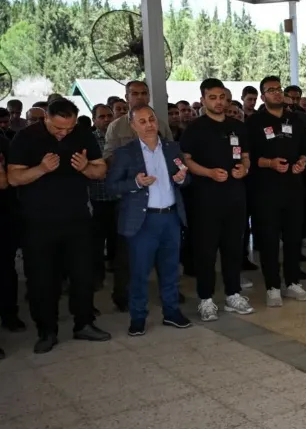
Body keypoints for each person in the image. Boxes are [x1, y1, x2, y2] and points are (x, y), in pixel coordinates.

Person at [7, 99, 109, 354]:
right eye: (58, 128)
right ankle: (47, 331)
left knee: (83, 275)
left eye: (69, 128)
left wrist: (86, 167)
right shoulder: (26, 138)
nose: (64, 133)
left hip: (77, 218)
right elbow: (14, 177)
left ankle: (84, 324)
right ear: (46, 118)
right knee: (42, 279)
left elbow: (101, 171)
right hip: (38, 222)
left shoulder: (82, 135)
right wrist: (41, 169)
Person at [105, 106, 193, 336]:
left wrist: (181, 179)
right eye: (142, 121)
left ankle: (171, 312)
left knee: (170, 269)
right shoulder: (126, 153)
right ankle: (138, 317)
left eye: (151, 119)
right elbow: (111, 186)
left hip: (170, 217)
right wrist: (135, 183)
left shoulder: (172, 148)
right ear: (133, 126)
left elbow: (185, 179)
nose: (149, 125)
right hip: (143, 220)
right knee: (139, 272)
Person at [181, 78, 255, 321]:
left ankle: (233, 294)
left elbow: (246, 156)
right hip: (205, 198)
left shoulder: (237, 127)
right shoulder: (195, 128)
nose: (218, 102)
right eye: (212, 98)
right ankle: (206, 299)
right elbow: (187, 160)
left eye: (222, 97)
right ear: (203, 100)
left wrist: (244, 168)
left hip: (235, 196)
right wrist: (209, 173)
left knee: (234, 247)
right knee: (206, 250)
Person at [246, 76, 306, 307]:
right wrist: (269, 163)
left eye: (278, 89)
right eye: (270, 90)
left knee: (294, 238)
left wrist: (301, 162)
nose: (276, 93)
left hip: (293, 188)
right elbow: (248, 157)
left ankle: (293, 282)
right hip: (265, 191)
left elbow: (305, 149)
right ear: (262, 96)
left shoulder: (295, 120)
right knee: (269, 240)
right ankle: (272, 286)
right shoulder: (254, 122)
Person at [89, 103, 118, 288]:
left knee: (118, 239)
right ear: (94, 120)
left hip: (119, 198)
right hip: (98, 198)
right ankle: (96, 277)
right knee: (96, 242)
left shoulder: (119, 138)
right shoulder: (89, 141)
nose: (107, 119)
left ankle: (116, 271)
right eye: (102, 116)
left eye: (109, 116)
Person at [0, 128, 25, 337]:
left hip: (3, 215)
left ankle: (9, 314)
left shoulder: (4, 143)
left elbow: (10, 181)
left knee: (5, 270)